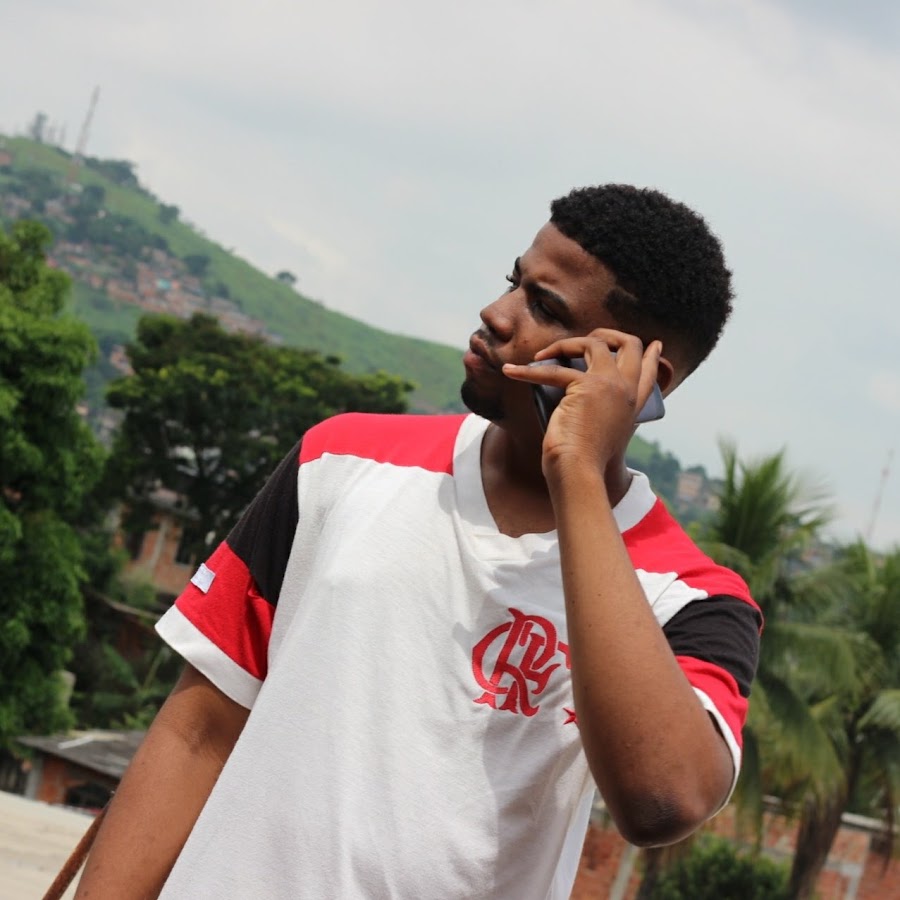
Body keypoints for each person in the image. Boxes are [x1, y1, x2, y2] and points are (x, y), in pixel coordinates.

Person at [75, 184, 761, 899]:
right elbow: (198, 733)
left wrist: (578, 471)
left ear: (644, 379)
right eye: (514, 282)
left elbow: (663, 800)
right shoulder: (340, 461)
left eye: (545, 308)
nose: (496, 314)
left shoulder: (691, 598)